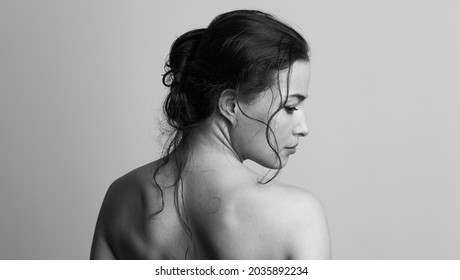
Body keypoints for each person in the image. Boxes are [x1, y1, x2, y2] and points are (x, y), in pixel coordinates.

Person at [90, 9, 331, 260]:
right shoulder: (297, 215)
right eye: (290, 107)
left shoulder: (121, 197)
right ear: (230, 106)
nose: (304, 127)